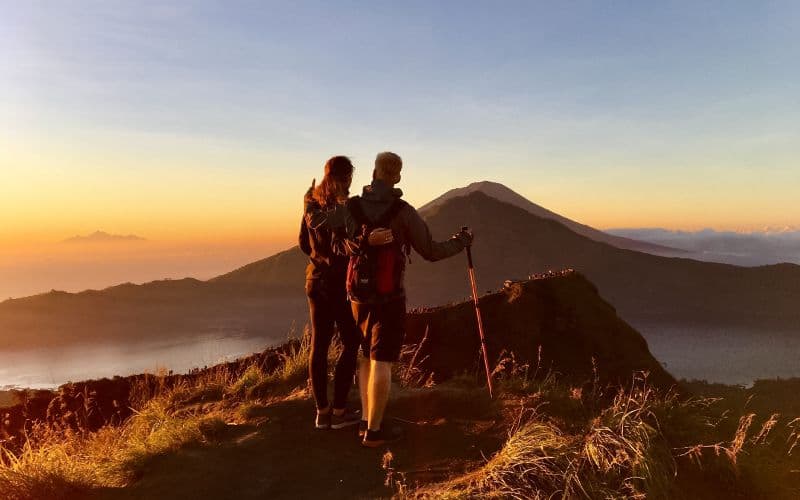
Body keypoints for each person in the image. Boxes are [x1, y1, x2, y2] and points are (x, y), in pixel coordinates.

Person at [330, 151, 473, 447]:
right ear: (396, 176)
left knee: (366, 355)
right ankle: (374, 432)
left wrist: (361, 241)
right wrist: (462, 241)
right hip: (389, 297)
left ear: (374, 173)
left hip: (357, 295)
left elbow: (337, 245)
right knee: (382, 360)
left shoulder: (351, 207)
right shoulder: (403, 212)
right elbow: (431, 251)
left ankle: (367, 420)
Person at [299, 156, 362, 430]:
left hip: (315, 280)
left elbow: (303, 242)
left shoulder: (311, 202)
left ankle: (321, 412)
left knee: (320, 344)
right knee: (351, 341)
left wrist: (318, 257)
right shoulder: (345, 207)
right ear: (346, 177)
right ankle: (339, 411)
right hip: (339, 283)